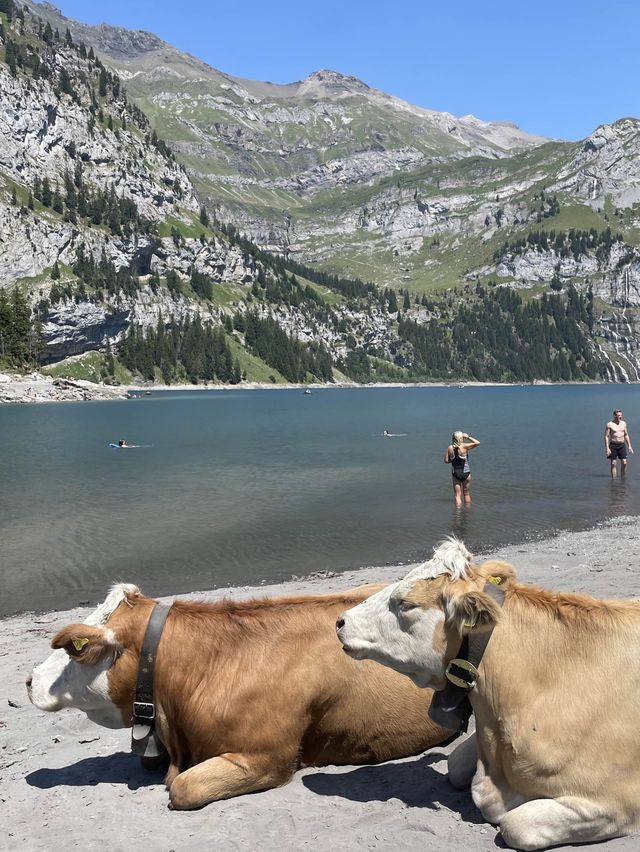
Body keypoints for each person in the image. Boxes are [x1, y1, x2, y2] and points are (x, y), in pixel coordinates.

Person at [444, 431, 480, 507]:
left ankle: (458, 514)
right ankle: (467, 511)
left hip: (456, 474)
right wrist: (467, 437)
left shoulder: (450, 448)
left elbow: (446, 461)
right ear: (461, 438)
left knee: (457, 495)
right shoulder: (465, 446)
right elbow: (477, 443)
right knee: (466, 493)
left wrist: (453, 459)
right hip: (466, 473)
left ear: (453, 438)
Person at [604, 409, 633, 478]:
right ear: (614, 415)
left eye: (621, 415)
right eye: (618, 415)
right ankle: (613, 481)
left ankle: (623, 478)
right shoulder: (610, 424)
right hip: (613, 445)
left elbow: (626, 435)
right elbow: (606, 436)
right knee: (613, 463)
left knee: (624, 462)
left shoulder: (624, 423)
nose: (620, 417)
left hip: (622, 445)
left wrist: (629, 446)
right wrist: (607, 448)